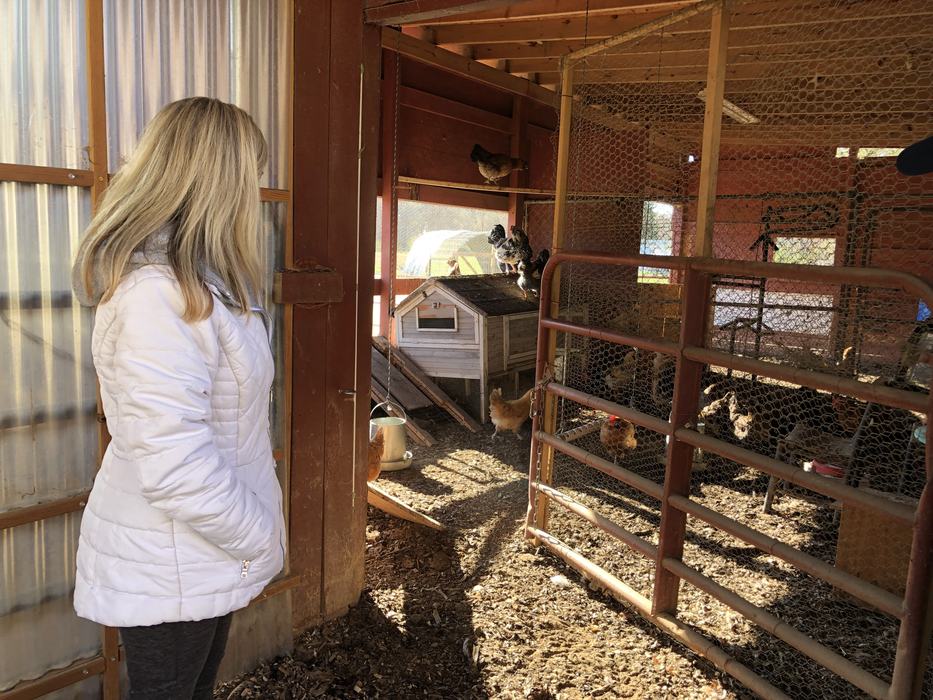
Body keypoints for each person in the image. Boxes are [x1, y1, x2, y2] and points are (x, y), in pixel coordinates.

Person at [71, 97, 285, 699]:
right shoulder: (156, 297)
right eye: (249, 175)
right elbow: (174, 465)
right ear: (218, 181)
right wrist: (257, 535)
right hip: (171, 558)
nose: (255, 192)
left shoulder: (200, 285)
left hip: (198, 550)